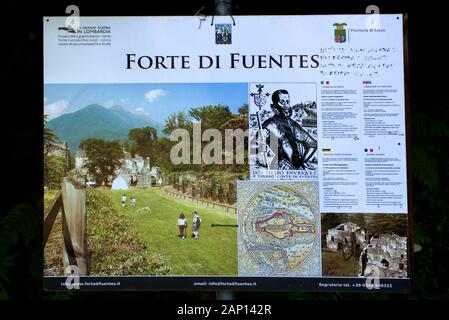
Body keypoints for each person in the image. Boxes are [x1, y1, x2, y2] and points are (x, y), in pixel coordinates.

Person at [258, 89, 317, 170]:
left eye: (287, 102)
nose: (286, 105)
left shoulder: (292, 124)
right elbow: (257, 147)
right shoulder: (269, 125)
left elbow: (313, 144)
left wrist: (302, 162)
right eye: (282, 102)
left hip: (297, 169)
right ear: (274, 104)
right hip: (281, 167)